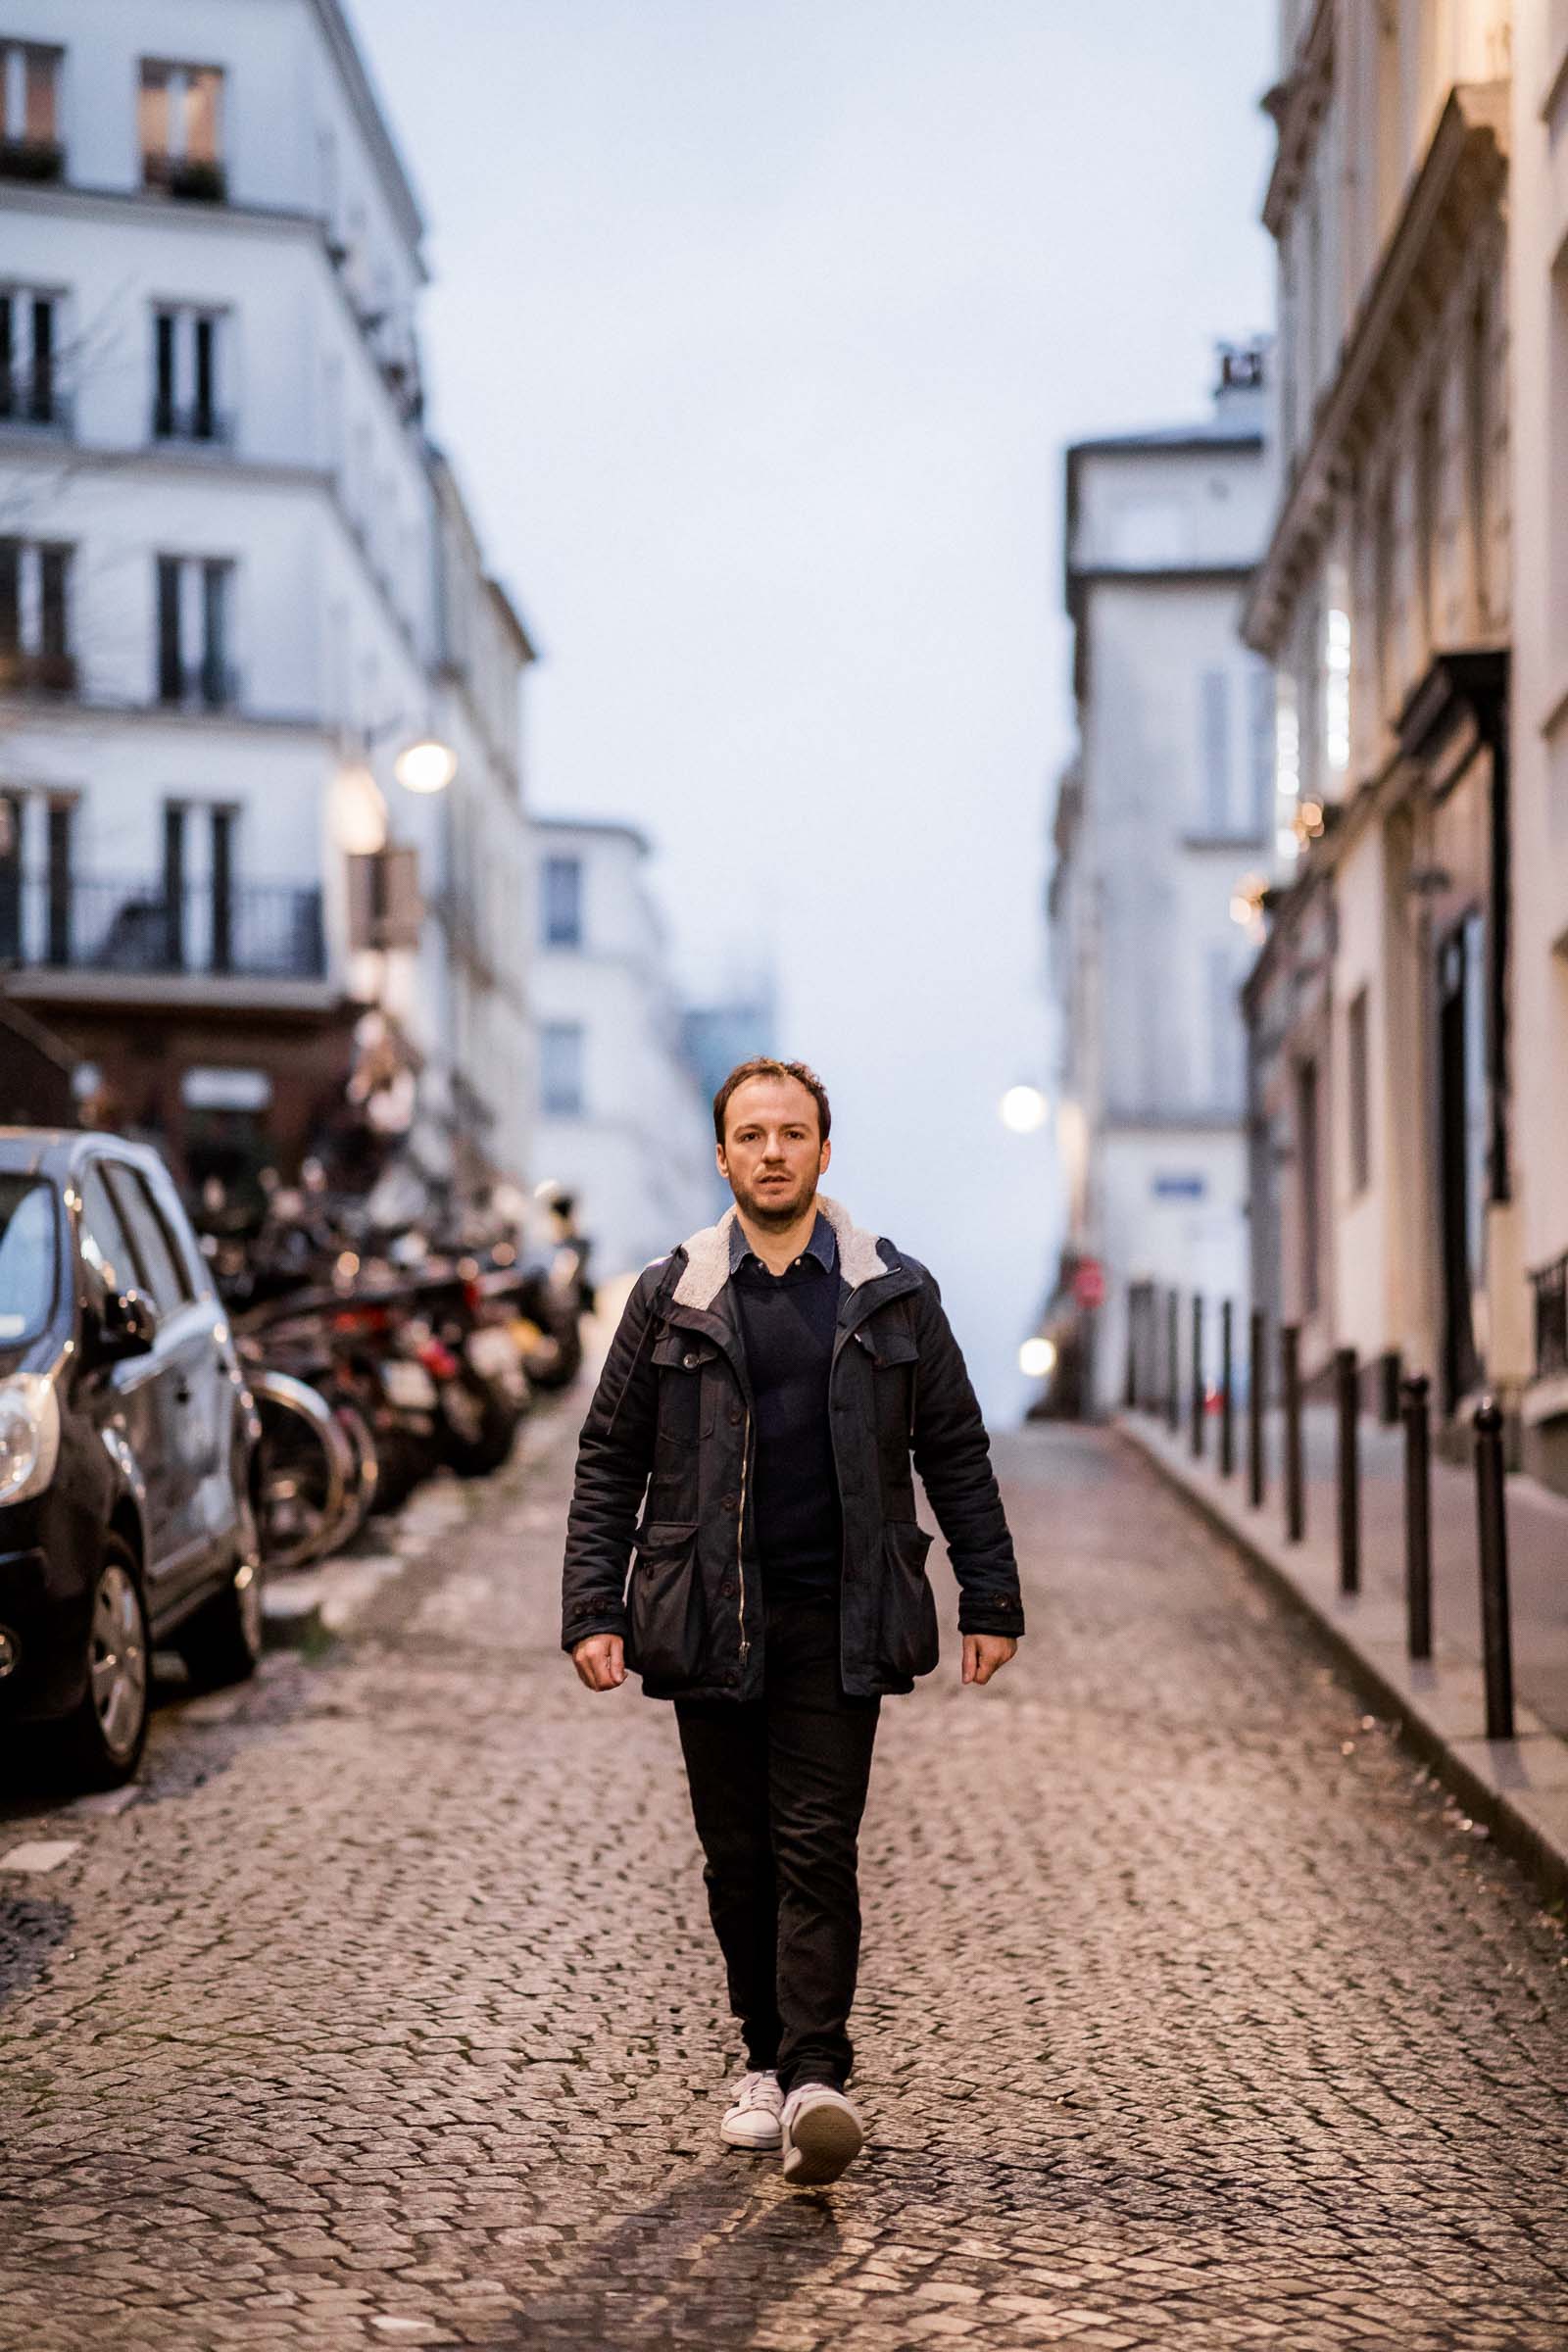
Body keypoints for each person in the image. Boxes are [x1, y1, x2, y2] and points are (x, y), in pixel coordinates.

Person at [562, 1057, 1023, 2186]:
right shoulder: (672, 1292)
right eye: (752, 1135)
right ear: (721, 1156)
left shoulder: (889, 1290)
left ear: (825, 1152)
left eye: (793, 1133)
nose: (773, 1151)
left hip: (838, 1610)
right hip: (705, 1614)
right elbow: (609, 1456)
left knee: (817, 1846)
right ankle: (762, 2062)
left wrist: (990, 1595)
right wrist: (592, 1606)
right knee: (736, 1858)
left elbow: (952, 1448)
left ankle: (818, 2074)